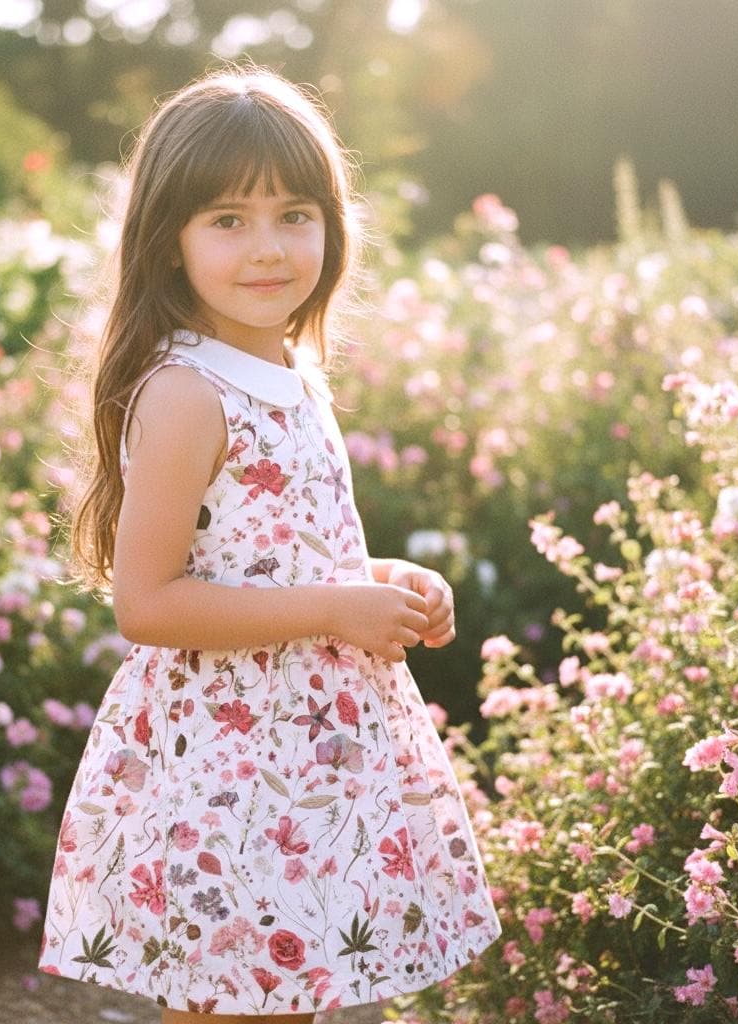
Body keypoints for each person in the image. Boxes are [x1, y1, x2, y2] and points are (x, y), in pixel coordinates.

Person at [37, 62, 502, 1022]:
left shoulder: (293, 372)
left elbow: (280, 551)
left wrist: (384, 583)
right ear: (169, 242)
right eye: (228, 219)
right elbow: (147, 603)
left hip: (306, 764)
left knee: (293, 1001)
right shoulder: (186, 393)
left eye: (295, 214)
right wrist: (335, 607)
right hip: (228, 767)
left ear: (334, 225)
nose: (268, 248)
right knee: (236, 1004)